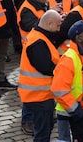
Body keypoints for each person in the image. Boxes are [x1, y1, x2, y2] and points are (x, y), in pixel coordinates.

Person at [19, 9, 63, 142]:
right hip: (39, 96)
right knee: (42, 134)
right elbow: (46, 67)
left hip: (40, 95)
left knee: (45, 130)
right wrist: (63, 69)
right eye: (58, 25)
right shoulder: (37, 42)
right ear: (49, 24)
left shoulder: (39, 36)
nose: (59, 29)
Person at [52, 20, 83, 142]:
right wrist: (77, 111)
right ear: (78, 38)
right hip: (74, 114)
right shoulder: (69, 59)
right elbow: (59, 90)